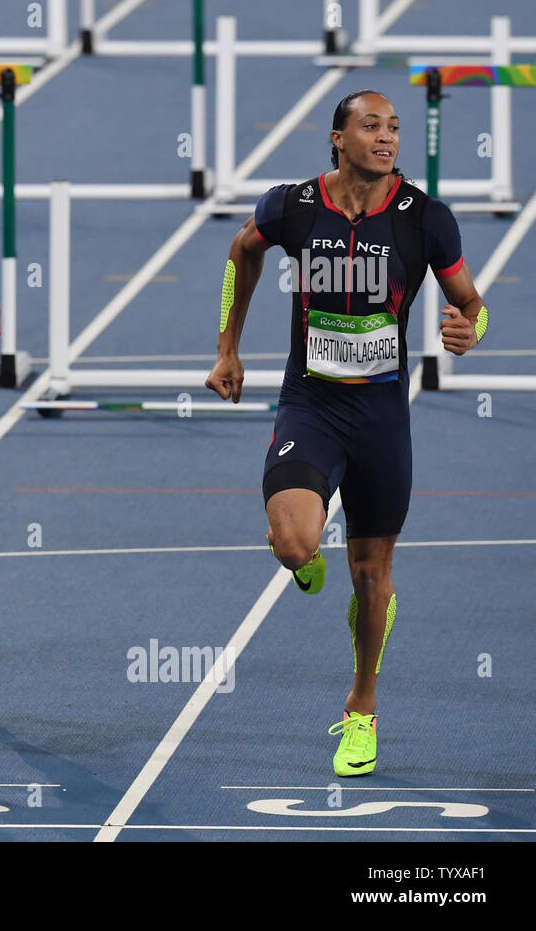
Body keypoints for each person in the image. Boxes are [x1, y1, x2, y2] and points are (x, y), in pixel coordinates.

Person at [206, 90, 489, 775]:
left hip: (382, 417)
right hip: (312, 405)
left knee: (373, 578)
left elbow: (472, 303)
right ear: (338, 138)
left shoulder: (426, 220)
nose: (387, 138)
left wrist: (469, 331)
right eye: (372, 126)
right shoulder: (292, 207)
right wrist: (227, 347)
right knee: (293, 539)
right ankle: (307, 561)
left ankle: (360, 710)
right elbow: (240, 253)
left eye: (394, 128)